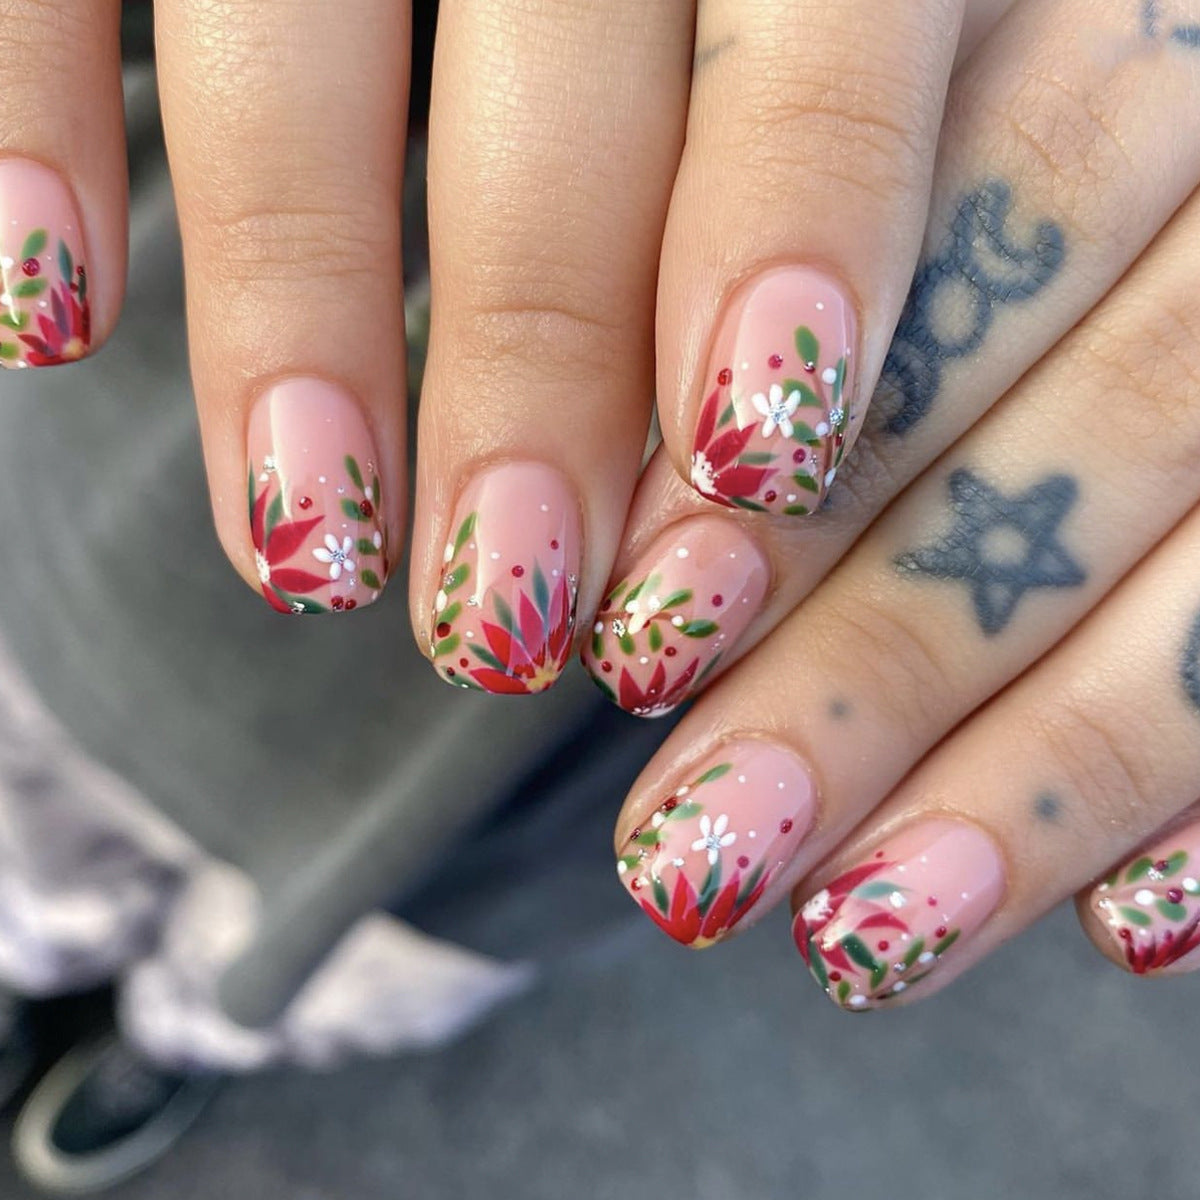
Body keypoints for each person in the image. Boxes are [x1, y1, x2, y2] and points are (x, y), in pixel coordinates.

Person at [2, 0, 1200, 1186]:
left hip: (601, 775)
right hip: (157, 450)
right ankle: (36, 963)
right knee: (40, 849)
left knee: (306, 977)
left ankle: (173, 1040)